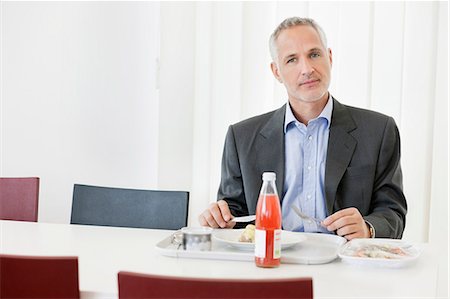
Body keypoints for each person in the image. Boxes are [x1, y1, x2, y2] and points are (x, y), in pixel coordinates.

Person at [198, 17, 407, 240]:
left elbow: (392, 213)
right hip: (271, 261)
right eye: (291, 60)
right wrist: (219, 219)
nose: (307, 69)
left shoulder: (378, 131)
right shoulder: (241, 137)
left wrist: (368, 228)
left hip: (344, 261)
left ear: (330, 57)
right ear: (276, 71)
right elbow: (235, 215)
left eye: (314, 55)